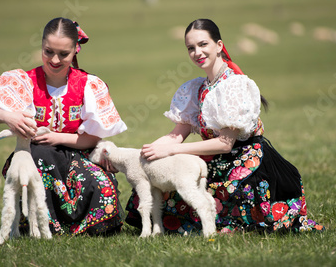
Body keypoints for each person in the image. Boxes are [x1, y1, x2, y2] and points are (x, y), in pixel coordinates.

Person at [125, 18, 324, 234]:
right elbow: (175, 136)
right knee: (169, 184)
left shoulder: (234, 85)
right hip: (213, 160)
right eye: (191, 48)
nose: (197, 53)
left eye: (203, 44)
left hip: (247, 159)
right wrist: (144, 154)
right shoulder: (195, 89)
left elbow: (225, 144)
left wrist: (173, 150)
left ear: (219, 46)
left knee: (227, 193)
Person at [0, 17, 127, 236]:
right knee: (38, 162)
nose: (55, 59)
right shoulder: (26, 81)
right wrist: (8, 116)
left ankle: (87, 226)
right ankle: (44, 226)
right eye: (48, 51)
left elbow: (93, 138)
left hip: (79, 153)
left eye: (64, 54)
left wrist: (57, 138)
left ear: (75, 51)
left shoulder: (88, 84)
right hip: (38, 156)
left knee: (101, 185)